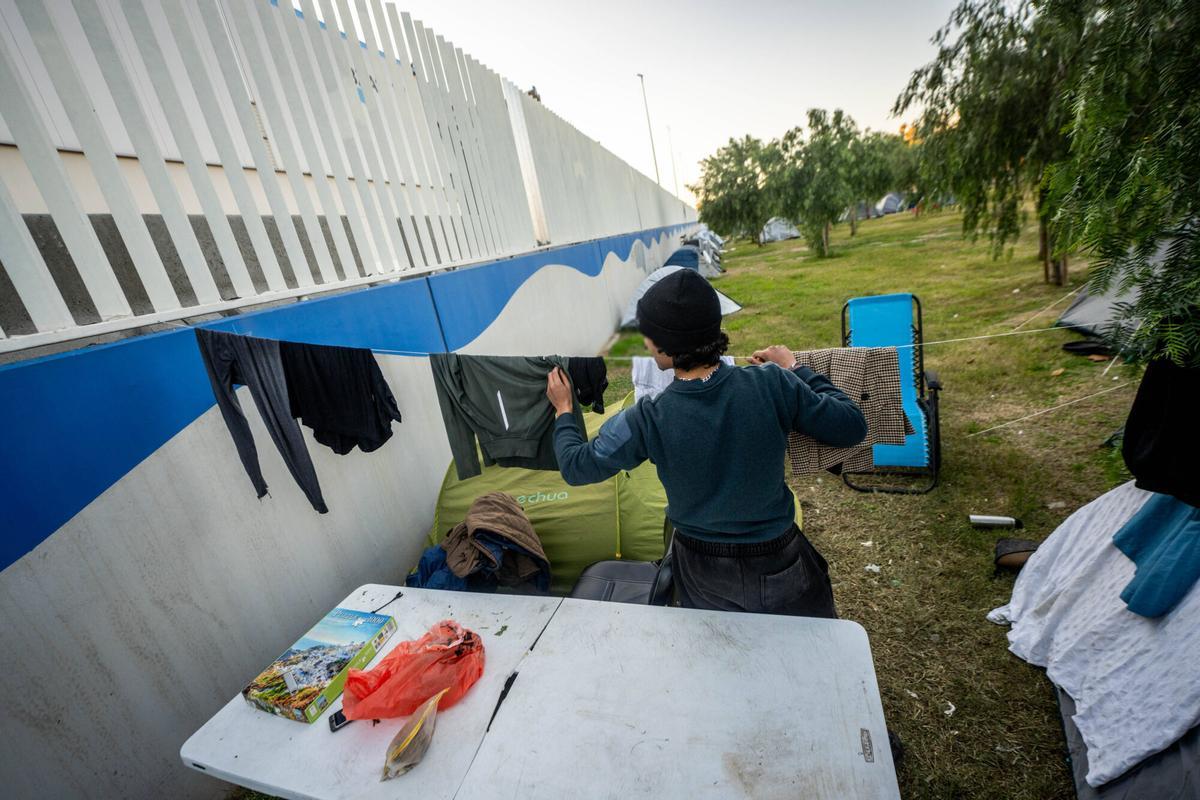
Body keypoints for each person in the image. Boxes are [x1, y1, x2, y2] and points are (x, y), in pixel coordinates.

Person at [546, 269, 867, 617]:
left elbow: (577, 467)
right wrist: (795, 368)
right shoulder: (774, 383)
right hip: (781, 564)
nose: (645, 344)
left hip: (702, 575)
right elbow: (851, 426)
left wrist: (564, 411)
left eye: (647, 335)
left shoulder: (649, 418)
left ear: (664, 345)